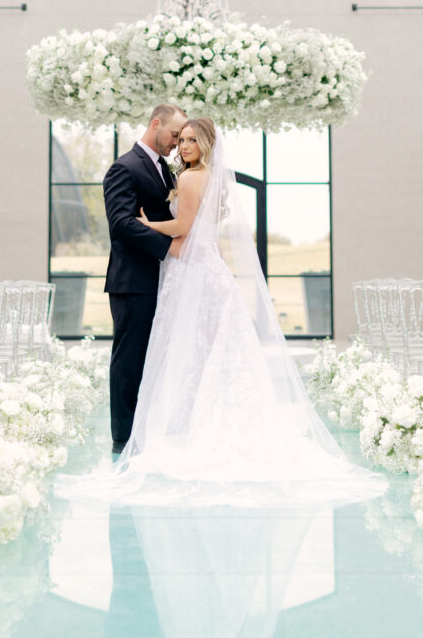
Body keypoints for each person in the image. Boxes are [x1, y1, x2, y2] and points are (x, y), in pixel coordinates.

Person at [94, 116, 388, 507]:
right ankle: (182, 426)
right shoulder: (205, 176)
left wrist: (151, 223)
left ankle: (181, 429)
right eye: (179, 139)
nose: (181, 146)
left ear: (205, 144)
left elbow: (183, 224)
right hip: (202, 270)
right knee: (208, 351)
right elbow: (182, 225)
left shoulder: (186, 178)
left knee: (189, 349)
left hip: (192, 270)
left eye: (189, 141)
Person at [102, 103, 187, 454]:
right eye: (173, 135)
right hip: (133, 282)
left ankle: (149, 429)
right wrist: (169, 247)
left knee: (157, 358)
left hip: (161, 281)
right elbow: (121, 223)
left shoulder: (166, 171)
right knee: (130, 359)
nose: (177, 143)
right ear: (155, 124)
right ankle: (123, 438)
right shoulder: (124, 167)